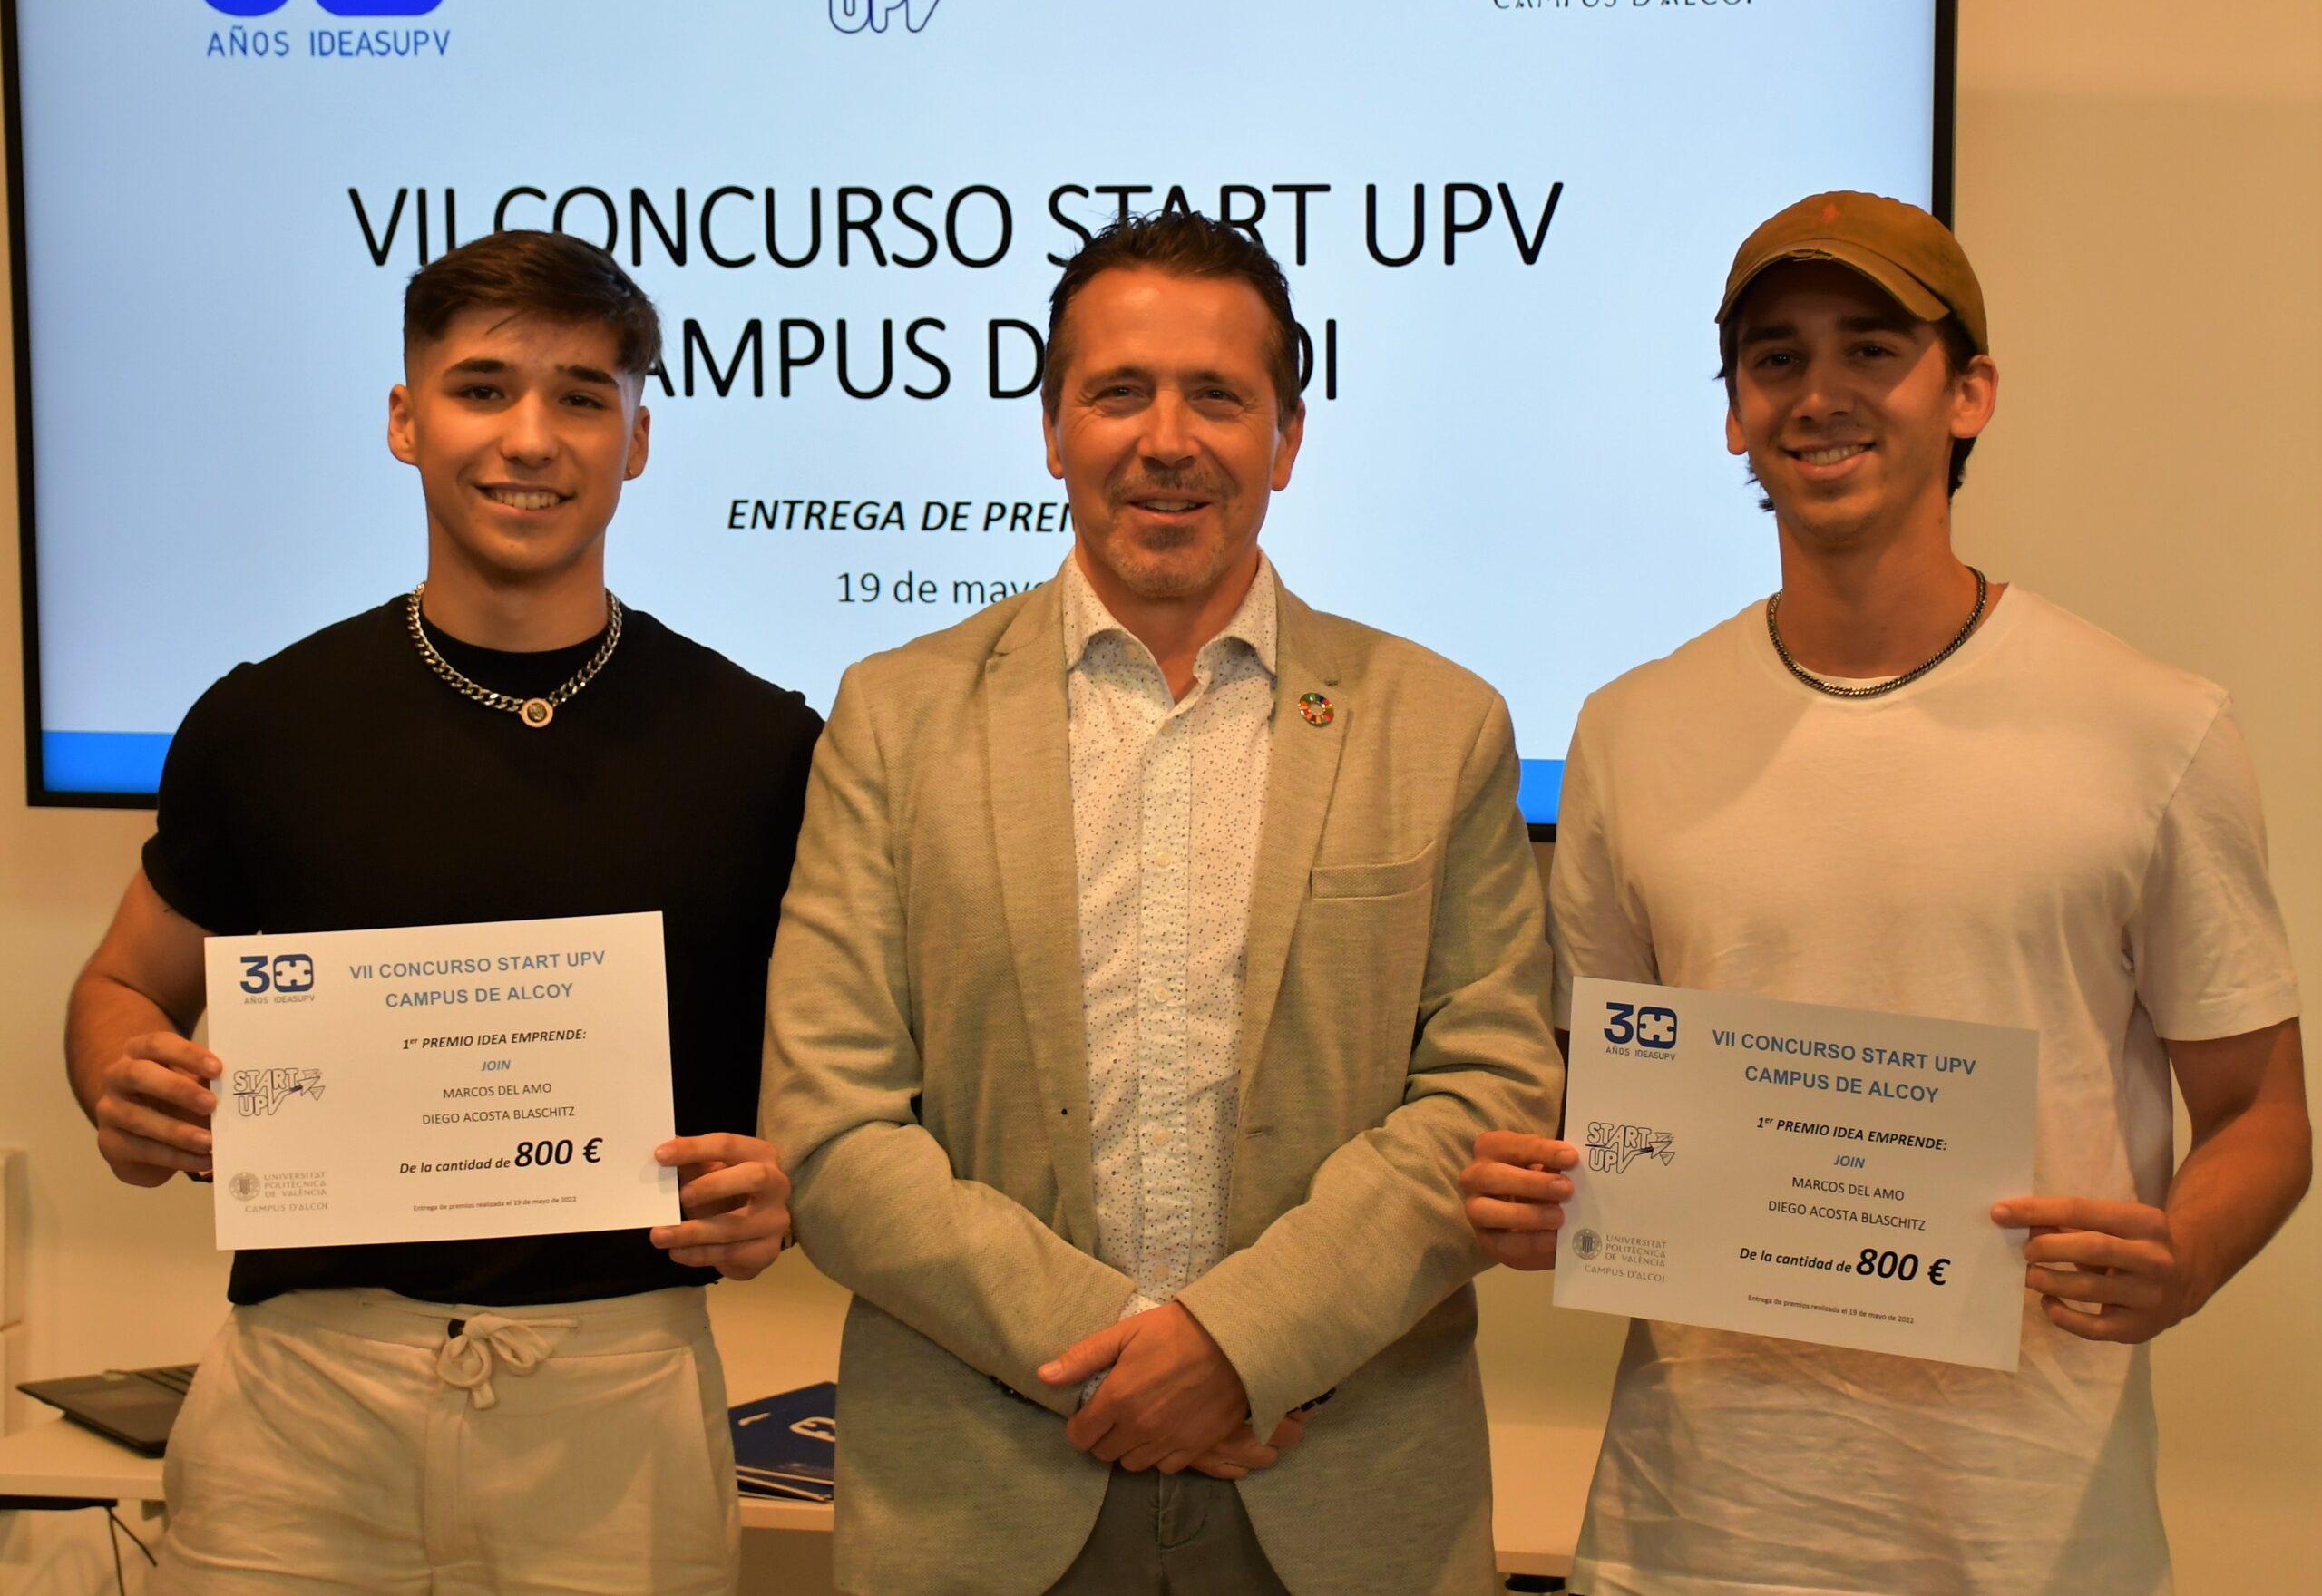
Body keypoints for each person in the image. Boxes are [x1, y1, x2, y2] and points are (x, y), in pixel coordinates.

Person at [1461, 191, 2311, 1596]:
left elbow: (2262, 1112)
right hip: (1690, 1534)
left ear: (1969, 392)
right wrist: (1529, 1185)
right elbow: (1595, 1100)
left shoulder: (2152, 727)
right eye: (1776, 358)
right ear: (1734, 413)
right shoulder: (1631, 730)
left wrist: (2186, 1255)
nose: (1820, 393)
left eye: (1872, 348)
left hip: (2031, 1537)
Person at [762, 209, 1558, 1596]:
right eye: (1119, 392)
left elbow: (1487, 1094)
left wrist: (1243, 1345)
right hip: (985, 1504)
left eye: (1219, 397)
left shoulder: (1441, 726)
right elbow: (830, 1130)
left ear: (1287, 438)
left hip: (1341, 1499)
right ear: (1053, 429)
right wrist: (1126, 1353)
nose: (1167, 439)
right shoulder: (893, 718)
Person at [64, 229, 822, 1596]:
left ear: (638, 439)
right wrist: (124, 1080)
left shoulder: (762, 745)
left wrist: (791, 1187)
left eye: (582, 396)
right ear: (406, 420)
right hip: (300, 1411)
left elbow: (844, 1081)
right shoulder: (265, 721)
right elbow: (121, 984)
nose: (530, 437)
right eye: (482, 389)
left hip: (618, 1407)